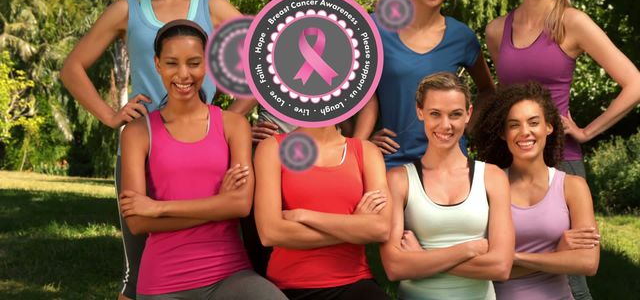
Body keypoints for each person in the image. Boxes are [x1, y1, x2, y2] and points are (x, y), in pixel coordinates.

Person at [59, 0, 242, 298]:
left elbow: (263, 62)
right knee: (137, 273)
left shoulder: (215, 8)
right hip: (144, 153)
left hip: (206, 156)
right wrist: (112, 116)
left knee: (213, 257)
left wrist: (229, 121)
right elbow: (72, 68)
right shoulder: (126, 10)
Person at [484, 0, 639, 297]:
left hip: (560, 161)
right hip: (505, 163)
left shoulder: (572, 22)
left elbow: (634, 83)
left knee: (571, 273)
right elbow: (501, 98)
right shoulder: (496, 30)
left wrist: (586, 131)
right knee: (502, 269)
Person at [118, 20, 286, 299]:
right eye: (172, 63)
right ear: (157, 64)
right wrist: (219, 204)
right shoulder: (137, 133)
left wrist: (159, 209)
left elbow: (241, 204)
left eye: (193, 63)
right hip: (163, 282)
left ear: (206, 64)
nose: (183, 74)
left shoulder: (234, 125)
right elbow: (137, 222)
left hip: (230, 275)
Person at [353, 0, 495, 168]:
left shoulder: (462, 37)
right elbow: (345, 91)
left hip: (449, 165)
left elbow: (488, 91)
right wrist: (362, 141)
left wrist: (467, 127)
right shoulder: (374, 28)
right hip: (391, 163)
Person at [380, 72, 514, 300]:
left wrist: (421, 257)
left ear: (468, 114)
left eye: (455, 114)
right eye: (435, 114)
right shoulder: (399, 179)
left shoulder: (492, 177)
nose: (446, 125)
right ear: (420, 111)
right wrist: (468, 249)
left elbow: (501, 267)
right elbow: (394, 267)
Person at [473, 82, 600, 299]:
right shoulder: (487, 185)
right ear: (503, 133)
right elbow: (480, 266)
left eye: (534, 122)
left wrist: (514, 258)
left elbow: (588, 263)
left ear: (549, 127)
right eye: (514, 125)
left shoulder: (573, 186)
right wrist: (558, 255)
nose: (525, 132)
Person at [253, 121, 392, 299]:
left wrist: (304, 215)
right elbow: (270, 233)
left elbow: (381, 229)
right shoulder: (272, 148)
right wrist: (352, 225)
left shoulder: (366, 151)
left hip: (355, 284)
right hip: (290, 286)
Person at [230, 0, 327, 143]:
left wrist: (363, 142)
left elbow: (347, 109)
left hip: (323, 153)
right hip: (273, 152)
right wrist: (241, 131)